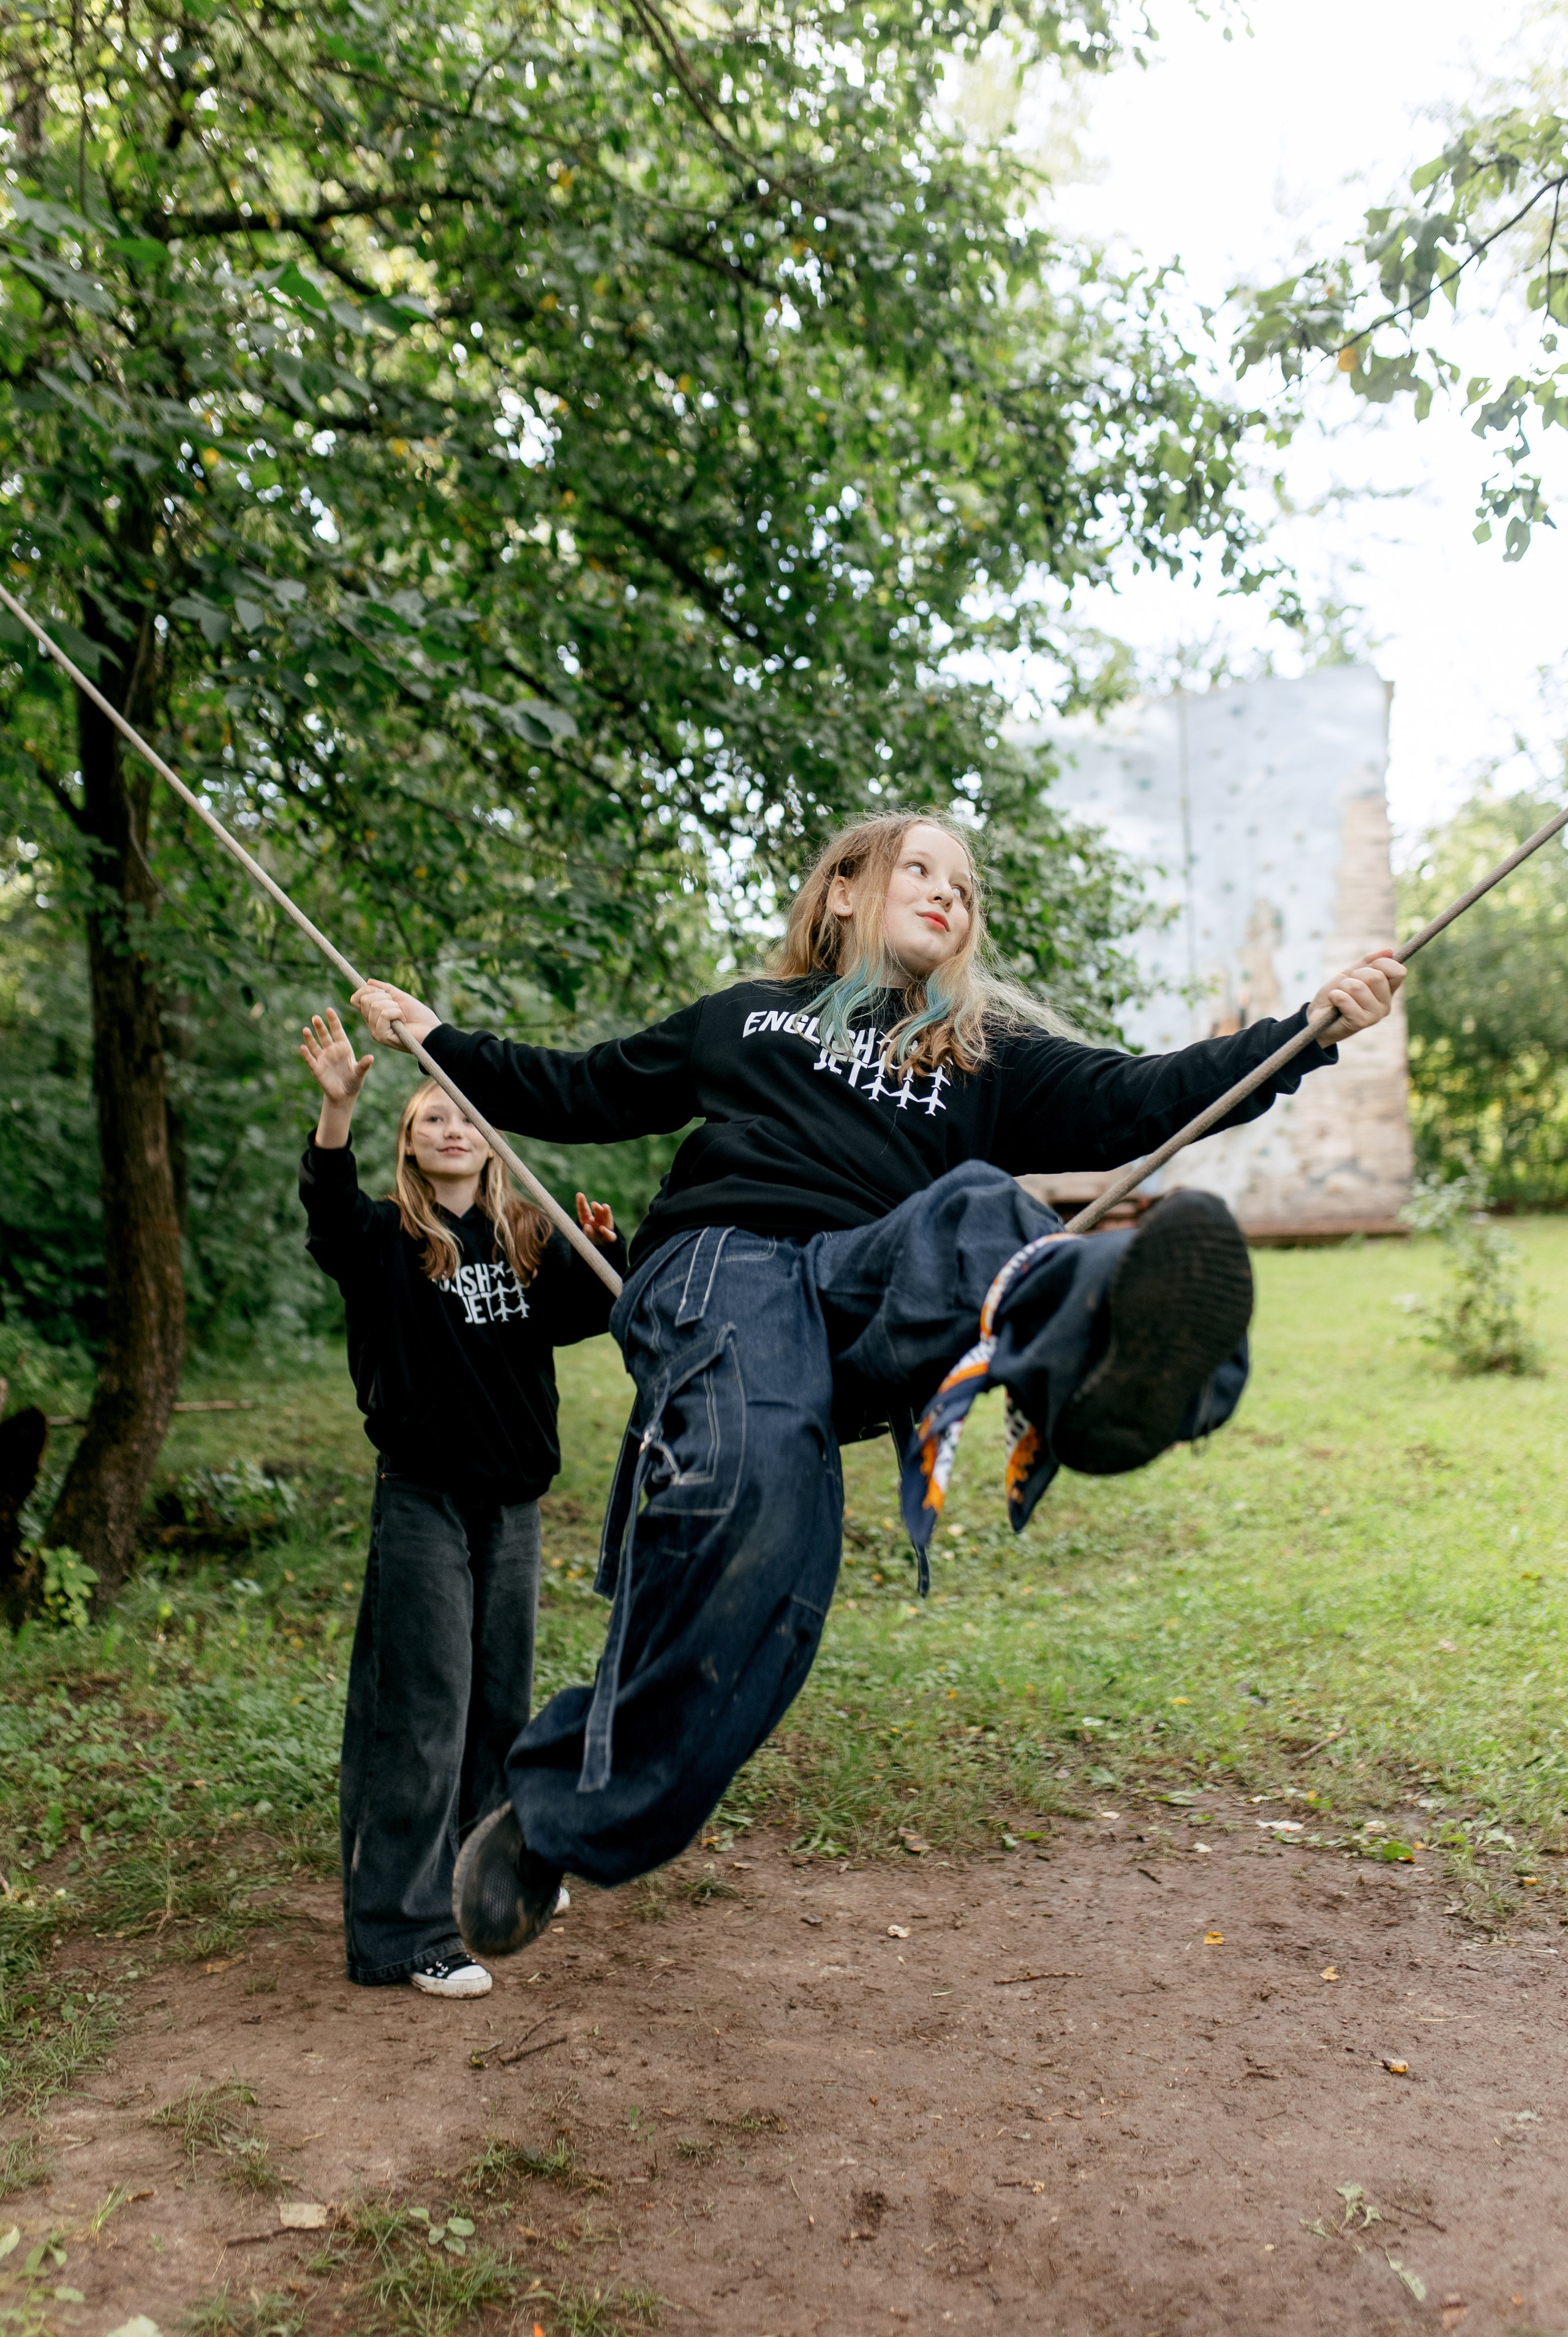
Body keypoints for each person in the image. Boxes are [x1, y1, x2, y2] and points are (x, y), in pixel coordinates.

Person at [349, 812, 1404, 1960]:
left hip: (873, 1296)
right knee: (771, 1549)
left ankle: (1098, 1378)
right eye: (920, 869)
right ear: (843, 891)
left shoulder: (977, 1049)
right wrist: (437, 1038)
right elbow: (579, 1089)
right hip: (727, 1271)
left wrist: (1305, 1032)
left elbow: (1143, 1098)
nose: (948, 892)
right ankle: (559, 1818)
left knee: (985, 1213)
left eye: (963, 883)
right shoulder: (746, 1017)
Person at [298, 1006, 625, 1997]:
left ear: (490, 1139)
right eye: (428, 1115)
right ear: (410, 1142)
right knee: (426, 1710)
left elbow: (597, 1309)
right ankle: (399, 1934)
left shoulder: (526, 1239)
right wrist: (337, 1110)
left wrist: (601, 1250)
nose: (449, 1124)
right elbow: (324, 1212)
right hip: (425, 1500)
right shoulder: (384, 1241)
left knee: (498, 1706)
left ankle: (489, 1878)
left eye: (465, 1113)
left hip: (513, 1504)